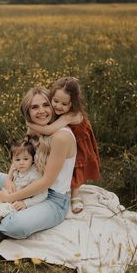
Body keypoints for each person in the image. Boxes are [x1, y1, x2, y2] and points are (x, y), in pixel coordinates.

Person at [0, 86, 77, 254]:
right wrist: (9, 179)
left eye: (45, 105)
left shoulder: (61, 137)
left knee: (14, 225)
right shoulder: (34, 128)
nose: (41, 111)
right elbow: (21, 155)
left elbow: (46, 182)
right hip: (25, 181)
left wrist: (10, 197)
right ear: (28, 112)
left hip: (52, 198)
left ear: (52, 107)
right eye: (34, 107)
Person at [27, 77, 100, 214]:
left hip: (80, 140)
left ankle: (75, 194)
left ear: (72, 103)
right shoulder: (56, 109)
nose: (58, 106)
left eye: (64, 104)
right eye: (55, 101)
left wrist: (30, 123)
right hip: (65, 136)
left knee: (77, 166)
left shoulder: (71, 115)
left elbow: (49, 130)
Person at [0, 138, 49, 244]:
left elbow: (43, 194)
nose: (21, 163)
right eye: (17, 160)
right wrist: (7, 185)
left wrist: (26, 203)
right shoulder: (17, 169)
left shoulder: (34, 175)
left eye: (25, 159)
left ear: (32, 159)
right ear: (12, 160)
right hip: (9, 196)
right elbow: (10, 181)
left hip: (17, 202)